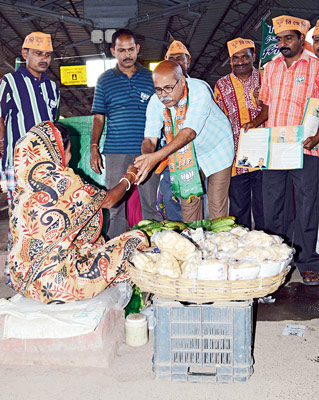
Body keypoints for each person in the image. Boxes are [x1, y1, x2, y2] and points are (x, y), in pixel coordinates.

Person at [8, 121, 148, 304]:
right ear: (56, 150)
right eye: (68, 149)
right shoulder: (63, 180)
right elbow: (109, 201)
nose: (70, 155)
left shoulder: (23, 187)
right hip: (54, 286)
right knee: (135, 240)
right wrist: (129, 176)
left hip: (20, 280)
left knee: (93, 243)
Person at [243, 15, 319, 285]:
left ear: (301, 39)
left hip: (306, 149)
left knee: (308, 206)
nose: (283, 43)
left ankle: (308, 260)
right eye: (280, 39)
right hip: (275, 149)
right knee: (274, 205)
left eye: (289, 38)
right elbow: (267, 106)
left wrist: (317, 135)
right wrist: (255, 122)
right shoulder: (271, 68)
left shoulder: (316, 66)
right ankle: (276, 261)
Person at [135, 60, 234, 222]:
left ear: (181, 81)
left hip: (217, 149)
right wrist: (147, 157)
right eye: (158, 89)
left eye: (168, 88)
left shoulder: (199, 91)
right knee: (189, 205)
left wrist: (156, 157)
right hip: (186, 156)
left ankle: (219, 245)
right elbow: (149, 139)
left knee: (216, 206)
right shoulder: (155, 102)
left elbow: (188, 133)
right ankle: (195, 243)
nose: (163, 95)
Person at [90, 28, 161, 239]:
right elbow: (98, 117)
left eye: (131, 49)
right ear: (113, 51)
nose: (127, 54)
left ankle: (152, 249)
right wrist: (94, 147)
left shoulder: (152, 78)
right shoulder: (104, 80)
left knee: (150, 203)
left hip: (147, 153)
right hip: (115, 153)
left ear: (138, 49)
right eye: (122, 50)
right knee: (115, 205)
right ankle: (114, 251)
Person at [0, 31, 59, 282]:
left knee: (45, 217)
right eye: (38, 54)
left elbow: (54, 124)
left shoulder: (52, 87)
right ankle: (15, 273)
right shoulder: (9, 82)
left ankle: (41, 271)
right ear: (25, 54)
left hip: (47, 165)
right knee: (19, 217)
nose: (43, 59)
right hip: (18, 164)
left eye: (47, 55)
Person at [214, 38, 264, 230]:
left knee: (264, 207)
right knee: (239, 209)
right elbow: (218, 119)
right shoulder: (221, 84)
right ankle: (242, 248)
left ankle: (266, 247)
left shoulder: (265, 78)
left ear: (253, 57)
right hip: (235, 157)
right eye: (236, 58)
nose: (241, 61)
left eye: (245, 56)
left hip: (264, 157)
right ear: (230, 60)